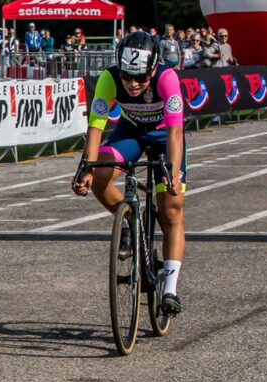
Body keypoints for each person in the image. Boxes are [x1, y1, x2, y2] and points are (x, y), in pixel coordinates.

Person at [73, 31, 187, 314]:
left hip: (163, 137)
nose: (133, 84)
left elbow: (175, 130)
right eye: (127, 77)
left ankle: (170, 289)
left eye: (140, 78)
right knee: (100, 175)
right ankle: (129, 224)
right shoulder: (109, 79)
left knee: (171, 209)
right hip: (131, 132)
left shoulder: (167, 78)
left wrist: (172, 173)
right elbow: (97, 127)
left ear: (153, 69)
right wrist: (86, 168)